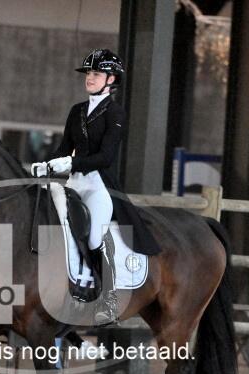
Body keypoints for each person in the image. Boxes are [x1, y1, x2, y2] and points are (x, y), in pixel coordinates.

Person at [30, 48, 161, 325]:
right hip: (73, 183)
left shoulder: (115, 113)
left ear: (111, 80)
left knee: (93, 238)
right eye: (88, 73)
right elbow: (64, 148)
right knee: (50, 222)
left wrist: (71, 163)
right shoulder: (76, 111)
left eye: (97, 74)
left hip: (98, 185)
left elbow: (106, 157)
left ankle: (107, 296)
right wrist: (47, 164)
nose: (90, 78)